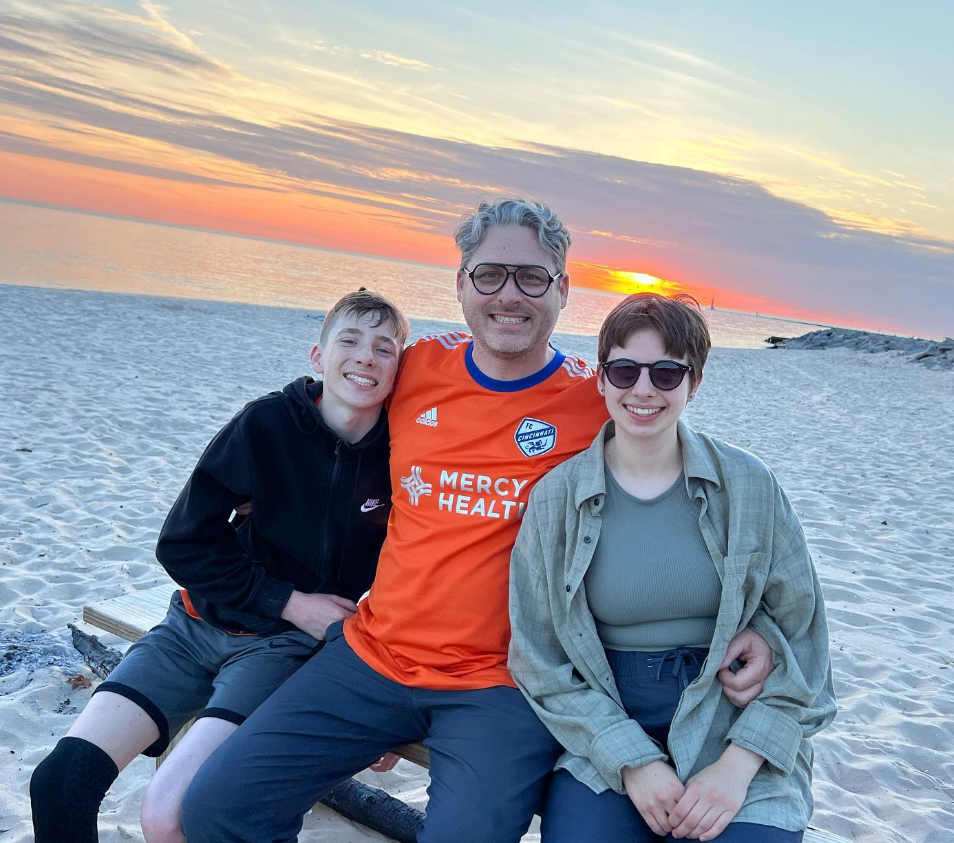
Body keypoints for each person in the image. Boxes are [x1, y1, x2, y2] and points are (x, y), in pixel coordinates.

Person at [179, 200, 775, 843]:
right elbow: (323, 411)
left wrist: (757, 626)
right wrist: (283, 595)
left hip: (505, 686)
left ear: (564, 289)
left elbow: (686, 487)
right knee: (216, 808)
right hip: (371, 656)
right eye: (490, 274)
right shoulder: (415, 370)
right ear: (461, 283)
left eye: (532, 277)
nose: (509, 295)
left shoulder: (600, 398)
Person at [30, 289, 410, 843]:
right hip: (189, 628)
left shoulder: (404, 456)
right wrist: (290, 601)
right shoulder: (265, 426)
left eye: (384, 348)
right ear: (317, 356)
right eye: (349, 341)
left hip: (279, 651)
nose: (365, 357)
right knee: (59, 782)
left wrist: (374, 705)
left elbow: (416, 580)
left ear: (400, 368)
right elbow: (183, 543)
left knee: (170, 816)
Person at [509, 292, 836, 842]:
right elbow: (538, 657)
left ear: (694, 383)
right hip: (608, 717)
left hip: (730, 719)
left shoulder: (750, 485)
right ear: (602, 379)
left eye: (666, 373)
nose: (642, 389)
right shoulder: (556, 500)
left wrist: (737, 768)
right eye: (624, 370)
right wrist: (632, 760)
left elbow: (806, 643)